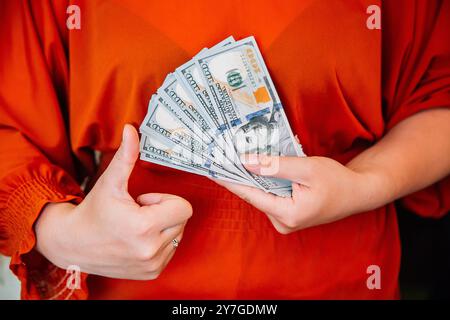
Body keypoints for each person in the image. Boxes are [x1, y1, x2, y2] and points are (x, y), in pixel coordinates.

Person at [0, 0, 449, 299]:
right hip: (127, 278)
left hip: (340, 277)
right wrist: (63, 233)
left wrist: (364, 183)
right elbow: (10, 127)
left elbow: (440, 95)